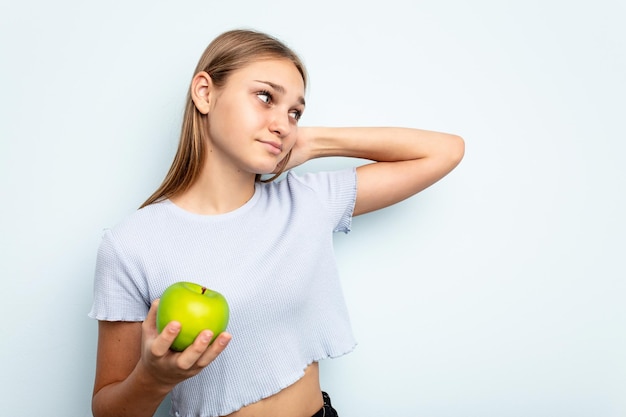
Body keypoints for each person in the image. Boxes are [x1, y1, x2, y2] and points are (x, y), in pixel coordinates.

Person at [89, 29, 464, 417]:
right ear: (204, 92)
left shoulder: (306, 202)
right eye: (265, 97)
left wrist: (313, 142)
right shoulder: (131, 244)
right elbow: (108, 410)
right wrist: (153, 380)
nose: (283, 124)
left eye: (294, 112)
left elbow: (445, 151)